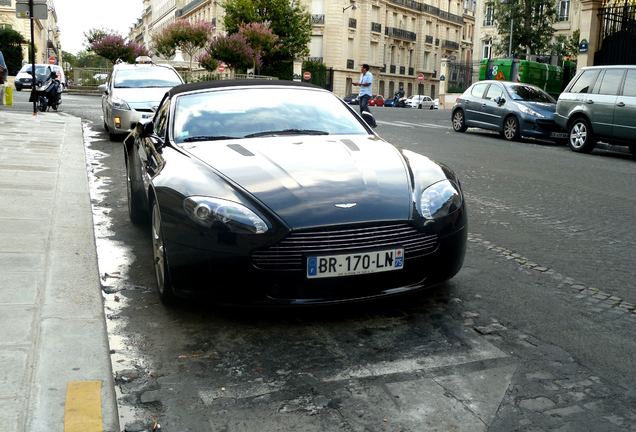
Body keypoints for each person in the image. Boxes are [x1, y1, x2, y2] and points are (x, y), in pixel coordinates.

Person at [352, 63, 376, 128]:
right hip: (361, 93)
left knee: (364, 106)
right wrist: (356, 84)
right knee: (361, 108)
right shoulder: (362, 75)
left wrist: (359, 84)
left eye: (362, 68)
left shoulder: (369, 74)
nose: (361, 69)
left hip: (367, 93)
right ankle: (364, 123)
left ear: (365, 69)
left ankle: (373, 122)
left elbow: (368, 84)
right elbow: (361, 84)